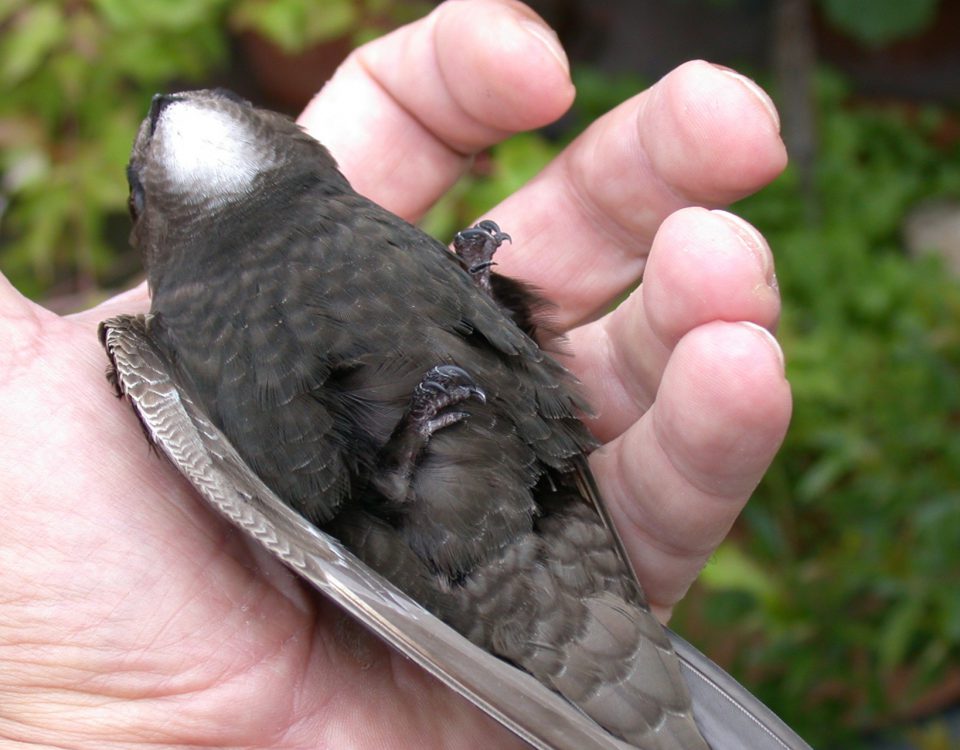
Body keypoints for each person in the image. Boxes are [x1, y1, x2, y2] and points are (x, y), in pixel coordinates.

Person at [0, 1, 790, 747]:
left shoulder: (327, 204)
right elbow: (307, 514)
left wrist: (483, 309)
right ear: (153, 225)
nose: (162, 111)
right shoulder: (163, 339)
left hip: (530, 512)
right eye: (139, 185)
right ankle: (416, 457)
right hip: (448, 550)